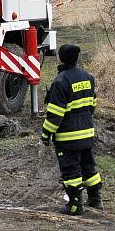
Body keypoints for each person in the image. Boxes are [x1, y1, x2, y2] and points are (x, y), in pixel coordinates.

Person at [41, 43, 102, 215]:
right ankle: (96, 200)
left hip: (68, 137)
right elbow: (93, 104)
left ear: (61, 58)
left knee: (71, 170)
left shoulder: (61, 81)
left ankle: (75, 206)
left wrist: (46, 134)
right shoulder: (87, 76)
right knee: (88, 167)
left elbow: (55, 114)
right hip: (87, 132)